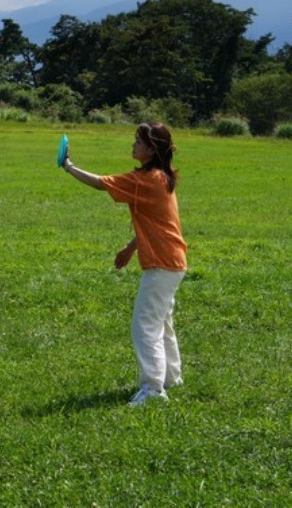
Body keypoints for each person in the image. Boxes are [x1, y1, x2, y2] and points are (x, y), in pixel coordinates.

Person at [60, 121, 187, 406]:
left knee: (144, 326)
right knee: (162, 321)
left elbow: (101, 183)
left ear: (152, 149)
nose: (133, 145)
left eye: (138, 141)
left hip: (163, 264)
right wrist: (131, 248)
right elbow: (158, 222)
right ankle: (172, 377)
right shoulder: (160, 177)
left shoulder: (149, 179)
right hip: (173, 260)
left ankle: (154, 390)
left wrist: (68, 166)